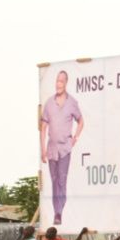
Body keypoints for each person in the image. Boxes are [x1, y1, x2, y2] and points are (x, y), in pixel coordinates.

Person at [41, 70, 84, 225]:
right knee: (54, 181)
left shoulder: (72, 102)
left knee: (62, 180)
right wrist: (42, 150)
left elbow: (81, 121)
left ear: (66, 83)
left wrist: (75, 138)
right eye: (57, 81)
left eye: (61, 81)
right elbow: (43, 127)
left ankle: (59, 212)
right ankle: (56, 211)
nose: (58, 84)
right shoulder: (49, 103)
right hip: (51, 148)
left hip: (65, 148)